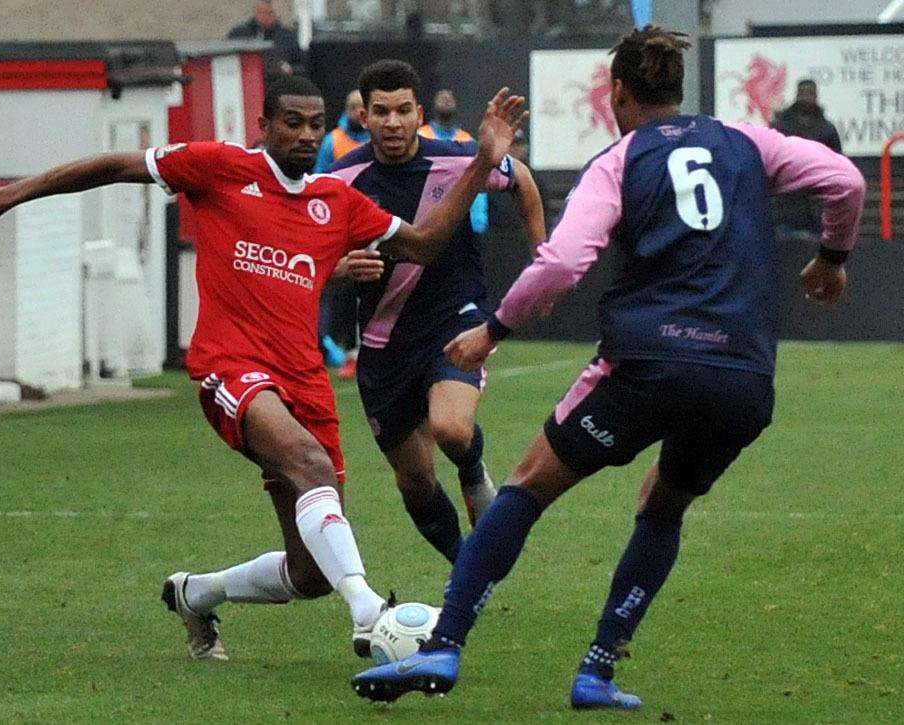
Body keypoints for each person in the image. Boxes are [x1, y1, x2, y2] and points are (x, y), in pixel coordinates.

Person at [0, 75, 528, 664]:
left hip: (305, 385)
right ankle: (370, 612)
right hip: (231, 368)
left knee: (309, 571)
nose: (303, 135)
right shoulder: (218, 168)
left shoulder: (336, 202)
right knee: (310, 464)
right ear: (263, 126)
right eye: (291, 123)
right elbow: (112, 166)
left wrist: (480, 164)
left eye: (315, 125)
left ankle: (195, 593)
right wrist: (1, 199)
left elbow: (423, 243)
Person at [352, 25, 864, 707]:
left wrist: (494, 328)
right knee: (663, 503)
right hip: (743, 376)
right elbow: (845, 179)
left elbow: (563, 262)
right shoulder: (748, 141)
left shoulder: (620, 160)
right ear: (677, 90)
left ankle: (444, 648)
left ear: (615, 93)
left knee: (528, 485)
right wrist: (832, 258)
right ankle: (597, 668)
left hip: (647, 363)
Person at [330, 60, 546, 566]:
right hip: (384, 344)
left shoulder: (458, 158)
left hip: (455, 317)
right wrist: (341, 268)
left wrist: (543, 257)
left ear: (419, 114)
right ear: (364, 117)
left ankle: (473, 473)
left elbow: (524, 182)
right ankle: (464, 568)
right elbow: (311, 249)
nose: (393, 122)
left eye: (404, 110)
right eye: (380, 111)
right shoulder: (341, 178)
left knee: (451, 428)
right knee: (416, 480)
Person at [316, 89, 372, 379]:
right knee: (347, 293)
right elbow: (318, 181)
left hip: (375, 225)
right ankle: (350, 354)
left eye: (360, 107)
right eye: (351, 106)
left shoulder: (378, 142)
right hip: (343, 228)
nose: (355, 112)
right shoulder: (332, 142)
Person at [771, 79, 844, 242]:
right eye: (802, 93)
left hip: (816, 207)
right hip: (785, 205)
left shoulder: (827, 130)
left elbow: (838, 165)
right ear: (796, 95)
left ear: (816, 96)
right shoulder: (780, 126)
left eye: (810, 93)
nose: (806, 97)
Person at [419, 89, 491, 235]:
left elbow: (476, 183)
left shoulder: (467, 141)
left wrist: (478, 221)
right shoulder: (419, 137)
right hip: (423, 220)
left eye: (449, 98)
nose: (446, 99)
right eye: (442, 97)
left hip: (459, 223)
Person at [228, 1, 303, 76]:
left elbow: (302, 65)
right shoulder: (239, 34)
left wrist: (290, 69)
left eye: (270, 13)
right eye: (263, 12)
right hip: (248, 79)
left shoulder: (288, 36)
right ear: (255, 12)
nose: (266, 17)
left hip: (279, 81)